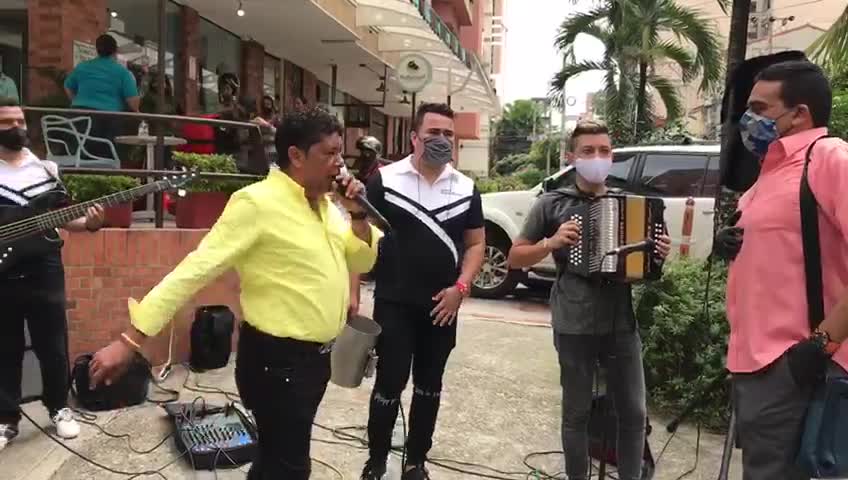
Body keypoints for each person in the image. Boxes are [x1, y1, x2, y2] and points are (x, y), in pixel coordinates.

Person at [87, 107, 382, 479]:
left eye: (341, 154)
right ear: (295, 155)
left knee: (276, 459)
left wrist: (357, 215)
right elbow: (194, 271)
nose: (339, 165)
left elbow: (361, 255)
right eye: (329, 153)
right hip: (277, 363)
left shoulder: (325, 206)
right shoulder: (257, 203)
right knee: (290, 467)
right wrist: (131, 339)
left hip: (313, 361)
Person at [507, 121, 671, 480]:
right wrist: (550, 243)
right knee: (577, 414)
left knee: (633, 412)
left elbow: (644, 265)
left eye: (604, 151)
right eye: (588, 151)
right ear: (572, 157)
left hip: (621, 322)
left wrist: (656, 252)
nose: (597, 158)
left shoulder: (628, 202)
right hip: (574, 323)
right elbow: (514, 258)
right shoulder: (552, 203)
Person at [714, 60, 848, 480]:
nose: (748, 120)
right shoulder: (765, 178)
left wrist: (821, 344)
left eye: (759, 107)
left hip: (800, 366)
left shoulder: (828, 159)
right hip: (756, 366)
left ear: (800, 114)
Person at [360, 102, 486, 480]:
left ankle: (415, 462)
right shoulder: (384, 181)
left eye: (448, 134)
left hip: (441, 307)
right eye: (433, 132)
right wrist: (352, 293)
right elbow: (358, 236)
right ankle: (377, 460)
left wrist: (460, 288)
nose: (441, 140)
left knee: (430, 386)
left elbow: (477, 245)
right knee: (389, 383)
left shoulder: (466, 189)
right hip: (394, 303)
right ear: (414, 137)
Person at [0, 98, 105, 450]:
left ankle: (59, 407)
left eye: (20, 120)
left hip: (44, 267)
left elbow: (64, 219)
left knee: (53, 345)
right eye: (6, 122)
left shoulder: (47, 170)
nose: (16, 127)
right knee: (5, 347)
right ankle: (5, 419)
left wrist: (89, 223)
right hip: (3, 273)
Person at [64, 34, 140, 159]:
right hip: (107, 120)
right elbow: (133, 103)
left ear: (97, 50)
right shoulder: (123, 73)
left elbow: (67, 86)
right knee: (108, 155)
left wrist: (76, 101)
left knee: (80, 154)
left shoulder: (82, 67)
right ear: (115, 51)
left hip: (78, 118)